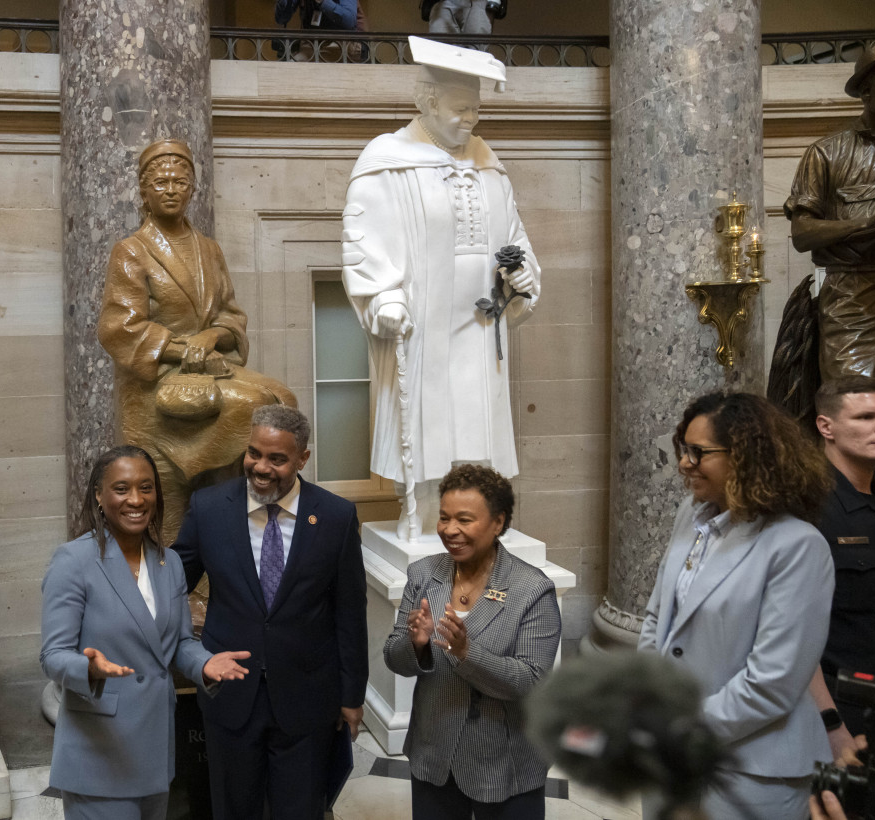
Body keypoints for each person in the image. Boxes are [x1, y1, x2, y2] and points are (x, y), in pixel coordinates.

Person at [342, 37, 540, 539]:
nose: (470, 120)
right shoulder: (386, 160)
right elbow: (365, 240)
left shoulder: (489, 165)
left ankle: (482, 516)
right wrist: (384, 296)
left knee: (478, 419)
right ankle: (431, 516)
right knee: (431, 422)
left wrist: (521, 279)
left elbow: (514, 238)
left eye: (476, 109)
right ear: (427, 102)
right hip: (424, 322)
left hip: (480, 322)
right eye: (459, 108)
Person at [639, 392, 836, 820]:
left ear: (746, 456)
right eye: (682, 449)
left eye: (699, 452)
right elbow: (658, 618)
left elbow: (773, 682)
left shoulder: (796, 546)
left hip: (750, 770)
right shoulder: (691, 516)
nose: (684, 463)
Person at [173, 405, 368, 819]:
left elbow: (349, 611)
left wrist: (352, 696)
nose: (261, 468)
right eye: (253, 453)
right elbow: (172, 583)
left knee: (300, 809)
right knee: (233, 808)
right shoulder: (208, 508)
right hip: (231, 693)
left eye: (277, 459)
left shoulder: (335, 516)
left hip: (308, 696)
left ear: (302, 459)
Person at [41, 445, 251, 819]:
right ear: (99, 496)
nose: (135, 499)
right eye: (121, 489)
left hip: (155, 752)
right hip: (99, 756)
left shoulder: (168, 563)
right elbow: (53, 655)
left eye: (146, 487)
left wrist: (204, 664)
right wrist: (88, 669)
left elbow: (179, 644)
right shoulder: (73, 561)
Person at [99, 139, 294, 540]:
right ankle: (180, 577)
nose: (171, 190)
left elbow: (231, 315)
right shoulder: (131, 252)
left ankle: (243, 524)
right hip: (157, 384)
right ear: (144, 192)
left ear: (192, 189)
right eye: (160, 183)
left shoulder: (209, 249)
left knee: (282, 399)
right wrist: (182, 348)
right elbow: (120, 328)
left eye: (180, 182)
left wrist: (210, 336)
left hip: (208, 371)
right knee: (253, 405)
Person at [384, 464, 559, 819]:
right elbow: (393, 657)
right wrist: (415, 644)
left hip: (503, 761)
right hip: (433, 755)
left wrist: (466, 652)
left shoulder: (531, 589)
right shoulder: (424, 575)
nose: (451, 530)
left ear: (498, 522)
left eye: (464, 519)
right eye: (445, 518)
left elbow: (530, 681)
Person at [785, 41, 875, 384]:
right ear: (867, 91)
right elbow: (802, 234)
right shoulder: (827, 153)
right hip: (854, 298)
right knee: (855, 397)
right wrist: (869, 224)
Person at [808, 376, 875, 766]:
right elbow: (793, 638)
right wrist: (831, 726)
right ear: (827, 427)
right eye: (867, 416)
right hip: (843, 720)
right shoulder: (810, 508)